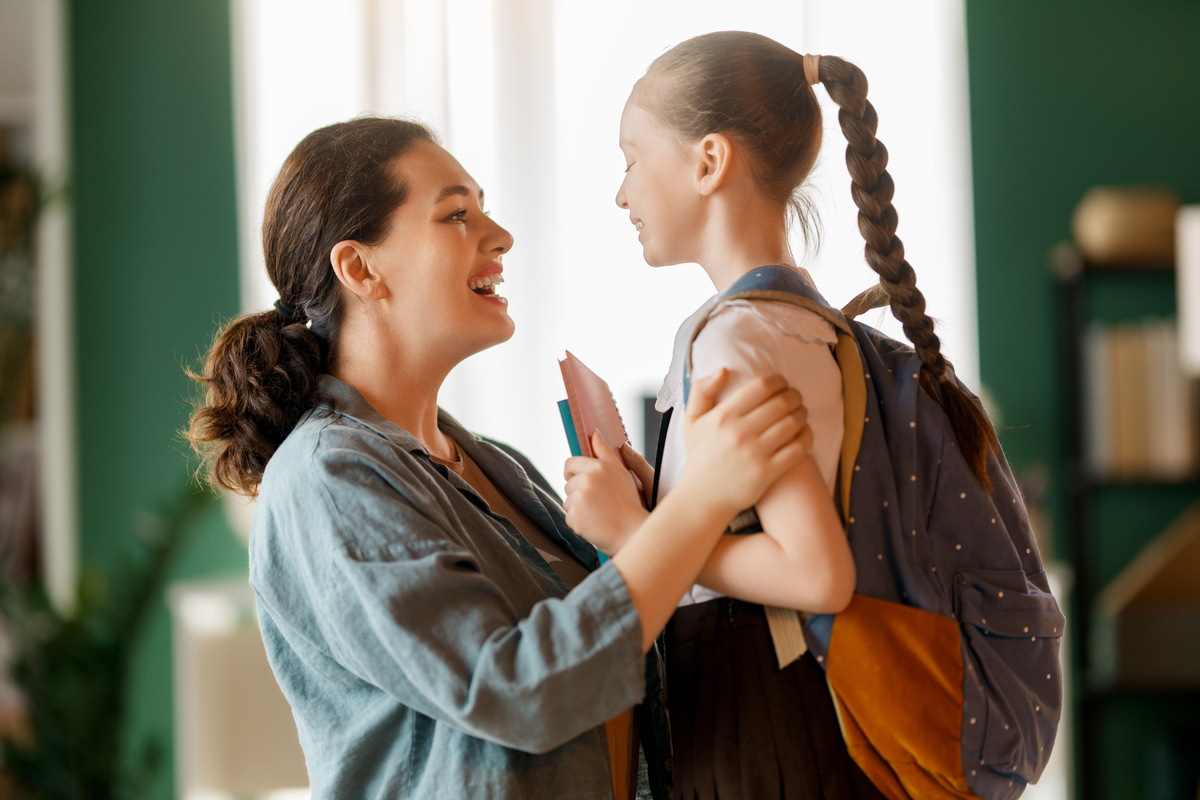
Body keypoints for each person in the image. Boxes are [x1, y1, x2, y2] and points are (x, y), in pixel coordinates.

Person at [185, 116, 816, 800]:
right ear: (360, 268)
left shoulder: (496, 467)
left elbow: (611, 659)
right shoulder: (324, 477)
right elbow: (518, 689)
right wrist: (698, 507)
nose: (500, 237)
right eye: (457, 214)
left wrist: (650, 519)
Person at [562, 33, 1001, 800]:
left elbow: (815, 572)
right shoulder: (810, 324)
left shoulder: (736, 335)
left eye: (632, 159)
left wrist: (639, 537)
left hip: (765, 734)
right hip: (813, 727)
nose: (622, 193)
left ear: (708, 162)